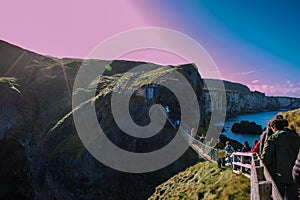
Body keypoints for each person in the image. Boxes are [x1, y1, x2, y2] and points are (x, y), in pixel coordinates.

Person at [261, 119, 300, 200]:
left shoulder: (273, 138)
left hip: (279, 176)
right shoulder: (296, 137)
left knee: (278, 196)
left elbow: (266, 158)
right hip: (294, 174)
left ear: (274, 127)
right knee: (293, 197)